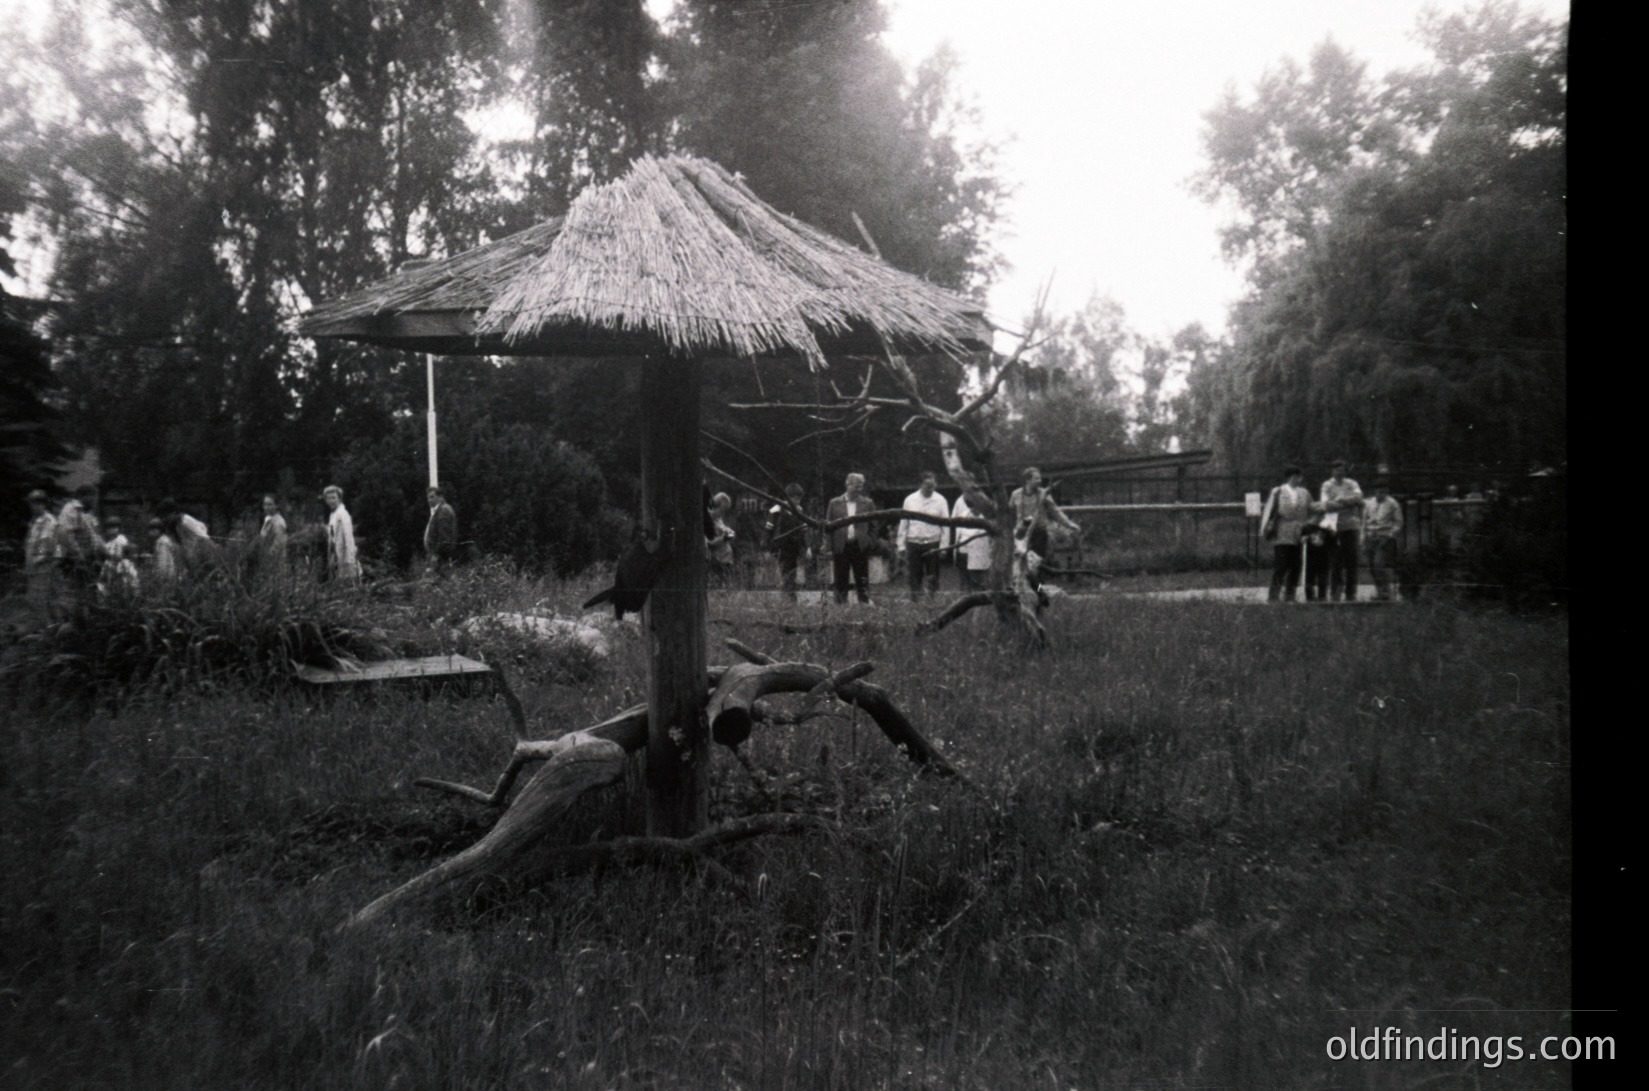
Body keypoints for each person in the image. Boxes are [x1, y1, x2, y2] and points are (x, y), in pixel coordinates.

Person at [1009, 467, 1082, 591]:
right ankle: (1018, 591)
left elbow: (1055, 512)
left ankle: (1038, 591)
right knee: (1019, 564)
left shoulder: (1043, 494)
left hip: (1038, 534)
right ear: (1027, 480)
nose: (1039, 481)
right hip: (1021, 534)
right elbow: (1008, 512)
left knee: (1035, 565)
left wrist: (1069, 524)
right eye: (1036, 478)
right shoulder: (1016, 494)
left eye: (1039, 478)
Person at [1262, 466, 1314, 602]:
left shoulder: (1304, 492)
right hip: (1283, 531)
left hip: (1298, 531)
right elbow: (1269, 510)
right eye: (1296, 476)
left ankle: (1290, 595)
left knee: (1296, 565)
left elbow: (1312, 507)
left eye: (1299, 476)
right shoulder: (1278, 491)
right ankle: (1273, 596)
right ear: (1290, 477)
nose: (1298, 479)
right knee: (1281, 565)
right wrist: (1266, 528)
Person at [896, 471, 950, 601]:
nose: (930, 488)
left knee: (933, 573)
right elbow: (904, 523)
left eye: (933, 485)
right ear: (920, 484)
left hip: (933, 542)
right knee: (915, 574)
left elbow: (946, 525)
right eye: (927, 485)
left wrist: (944, 546)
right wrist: (901, 545)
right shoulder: (910, 500)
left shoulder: (941, 500)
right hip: (913, 542)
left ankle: (932, 599)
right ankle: (915, 599)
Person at [826, 472, 875, 605]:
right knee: (841, 578)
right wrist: (829, 547)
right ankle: (841, 604)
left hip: (860, 546)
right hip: (841, 545)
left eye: (861, 487)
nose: (858, 489)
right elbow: (828, 527)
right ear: (847, 484)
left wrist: (869, 542)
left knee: (862, 577)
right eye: (856, 486)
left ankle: (864, 603)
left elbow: (873, 526)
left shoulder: (868, 503)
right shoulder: (834, 503)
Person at [1319, 460, 1365, 602]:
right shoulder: (1327, 485)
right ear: (1332, 471)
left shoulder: (1352, 483)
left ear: (1345, 471)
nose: (1340, 473)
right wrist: (1348, 503)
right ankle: (1335, 591)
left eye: (1342, 470)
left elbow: (1359, 497)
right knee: (1336, 561)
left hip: (1351, 526)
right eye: (1337, 470)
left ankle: (1351, 593)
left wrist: (1340, 500)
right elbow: (1326, 504)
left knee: (1352, 560)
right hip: (1334, 527)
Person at [764, 483, 812, 601]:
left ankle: (789, 596)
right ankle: (789, 597)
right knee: (785, 571)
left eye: (799, 499)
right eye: (795, 498)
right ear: (788, 498)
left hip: (794, 547)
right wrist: (766, 549)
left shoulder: (799, 511)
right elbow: (768, 531)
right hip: (780, 547)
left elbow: (804, 530)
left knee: (792, 571)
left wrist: (808, 547)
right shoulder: (776, 511)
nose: (797, 501)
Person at [1362, 480, 1404, 601]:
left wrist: (1390, 534)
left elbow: (1398, 522)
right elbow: (1364, 521)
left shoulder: (1393, 504)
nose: (1382, 494)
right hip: (1370, 536)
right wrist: (1363, 538)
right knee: (1370, 566)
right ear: (1375, 491)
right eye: (1380, 491)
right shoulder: (1369, 503)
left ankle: (1386, 592)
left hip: (1384, 537)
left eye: (1385, 491)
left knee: (1378, 564)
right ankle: (1380, 592)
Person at [24, 488, 59, 615]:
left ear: (41, 504)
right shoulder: (34, 521)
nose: (31, 507)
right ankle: (46, 629)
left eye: (33, 504)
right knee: (35, 601)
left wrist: (36, 562)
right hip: (34, 568)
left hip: (42, 567)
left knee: (42, 601)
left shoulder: (48, 521)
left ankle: (50, 630)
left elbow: (46, 545)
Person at [950, 489, 993, 591]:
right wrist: (956, 553)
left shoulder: (988, 516)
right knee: (965, 584)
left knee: (982, 583)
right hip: (965, 553)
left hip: (983, 553)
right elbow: (958, 536)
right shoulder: (963, 516)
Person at [322, 485, 361, 584]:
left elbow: (349, 537)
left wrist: (350, 558)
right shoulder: (333, 514)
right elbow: (333, 533)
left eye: (334, 498)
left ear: (339, 499)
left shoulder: (343, 514)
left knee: (349, 584)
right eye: (328, 498)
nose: (331, 501)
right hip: (336, 554)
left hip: (345, 556)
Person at [99, 514, 140, 596]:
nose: (112, 530)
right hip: (111, 566)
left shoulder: (121, 539)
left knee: (127, 581)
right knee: (105, 582)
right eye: (109, 528)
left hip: (122, 564)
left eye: (114, 527)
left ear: (118, 528)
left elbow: (121, 555)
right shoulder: (108, 544)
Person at [423, 485, 458, 576]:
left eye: (432, 497)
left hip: (440, 559)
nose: (429, 500)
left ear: (440, 497)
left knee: (439, 583)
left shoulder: (443, 511)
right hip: (439, 557)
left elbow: (444, 538)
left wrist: (436, 555)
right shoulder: (440, 510)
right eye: (428, 498)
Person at [706, 492, 736, 585]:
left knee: (725, 586)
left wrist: (728, 531)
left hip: (726, 558)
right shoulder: (707, 520)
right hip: (717, 560)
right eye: (722, 511)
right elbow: (708, 542)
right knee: (718, 586)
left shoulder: (718, 519)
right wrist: (723, 539)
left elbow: (721, 530)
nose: (722, 514)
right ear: (715, 507)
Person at [258, 494, 289, 572]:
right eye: (265, 504)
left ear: (276, 506)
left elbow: (278, 544)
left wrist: (266, 557)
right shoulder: (268, 519)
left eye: (270, 504)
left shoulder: (279, 522)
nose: (266, 507)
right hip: (265, 559)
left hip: (275, 561)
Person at [147, 516, 181, 588]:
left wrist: (159, 579)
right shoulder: (164, 540)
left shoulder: (162, 542)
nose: (149, 532)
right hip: (169, 578)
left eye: (151, 529)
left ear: (157, 530)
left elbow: (163, 563)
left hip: (166, 580)